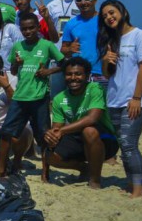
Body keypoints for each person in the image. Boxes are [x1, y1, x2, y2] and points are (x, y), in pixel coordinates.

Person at [0, 14, 64, 178]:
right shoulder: (17, 46)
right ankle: (1, 169)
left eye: (31, 28)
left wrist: (48, 71)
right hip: (19, 97)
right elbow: (12, 70)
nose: (28, 31)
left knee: (44, 135)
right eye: (24, 29)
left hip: (39, 98)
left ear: (38, 28)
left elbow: (63, 64)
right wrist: (16, 64)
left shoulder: (47, 45)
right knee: (7, 133)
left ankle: (45, 171)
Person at [98, 0, 142, 198]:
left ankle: (138, 188)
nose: (109, 18)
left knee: (129, 144)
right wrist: (105, 61)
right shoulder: (112, 41)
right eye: (104, 16)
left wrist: (137, 97)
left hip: (135, 100)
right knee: (124, 144)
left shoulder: (140, 36)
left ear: (123, 12)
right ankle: (131, 183)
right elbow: (107, 75)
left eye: (112, 13)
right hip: (114, 99)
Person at [43, 57, 119, 190]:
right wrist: (52, 135)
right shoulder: (59, 98)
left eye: (78, 74)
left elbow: (92, 118)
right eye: (69, 74)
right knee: (51, 156)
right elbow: (57, 128)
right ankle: (84, 168)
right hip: (77, 137)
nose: (73, 78)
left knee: (89, 130)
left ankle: (95, 179)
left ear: (87, 76)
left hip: (104, 140)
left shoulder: (95, 88)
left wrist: (62, 131)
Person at [47, 0, 80, 97]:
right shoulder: (52, 6)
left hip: (77, 56)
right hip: (57, 57)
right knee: (57, 96)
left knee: (78, 95)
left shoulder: (81, 3)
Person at [61, 0, 103, 85]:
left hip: (103, 73)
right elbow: (63, 50)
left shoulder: (104, 20)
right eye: (79, 0)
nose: (83, 2)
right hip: (80, 75)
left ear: (95, 0)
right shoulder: (71, 24)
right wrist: (69, 49)